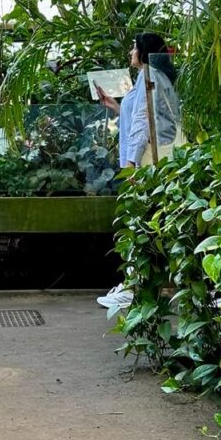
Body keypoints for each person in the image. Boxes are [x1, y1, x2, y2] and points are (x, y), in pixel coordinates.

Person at [94, 32, 180, 317]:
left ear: (144, 52)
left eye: (134, 46)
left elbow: (144, 124)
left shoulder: (148, 77)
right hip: (155, 158)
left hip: (147, 162)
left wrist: (131, 164)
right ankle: (139, 285)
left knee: (138, 222)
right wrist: (115, 106)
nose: (131, 51)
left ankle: (133, 287)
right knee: (150, 222)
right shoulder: (151, 76)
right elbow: (140, 117)